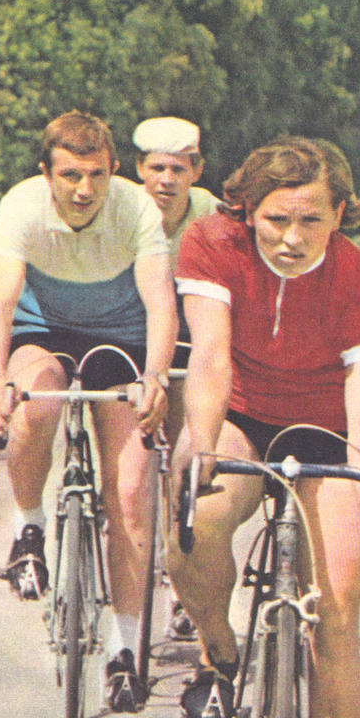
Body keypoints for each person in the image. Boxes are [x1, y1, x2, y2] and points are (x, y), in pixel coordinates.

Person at [170, 136, 360, 718]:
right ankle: (220, 650)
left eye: (311, 220)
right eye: (275, 220)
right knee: (196, 521)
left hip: (325, 431)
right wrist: (198, 440)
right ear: (248, 210)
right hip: (241, 413)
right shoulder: (211, 243)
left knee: (336, 612)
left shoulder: (359, 279)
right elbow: (208, 356)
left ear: (342, 214)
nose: (291, 239)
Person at [0, 110, 175, 712]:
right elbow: (0, 305)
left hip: (124, 338)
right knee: (36, 404)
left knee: (132, 493)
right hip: (46, 329)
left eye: (96, 175)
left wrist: (157, 378)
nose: (84, 190)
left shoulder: (137, 207)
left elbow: (161, 301)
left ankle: (122, 650)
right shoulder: (21, 205)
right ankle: (28, 527)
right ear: (46, 174)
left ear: (114, 170)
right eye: (69, 175)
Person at [133, 115, 219, 641]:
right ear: (139, 170)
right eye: (156, 168)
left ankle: (178, 575)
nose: (166, 179)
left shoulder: (212, 213)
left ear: (196, 171)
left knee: (183, 456)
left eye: (178, 169)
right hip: (132, 335)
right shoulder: (120, 207)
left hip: (189, 338)